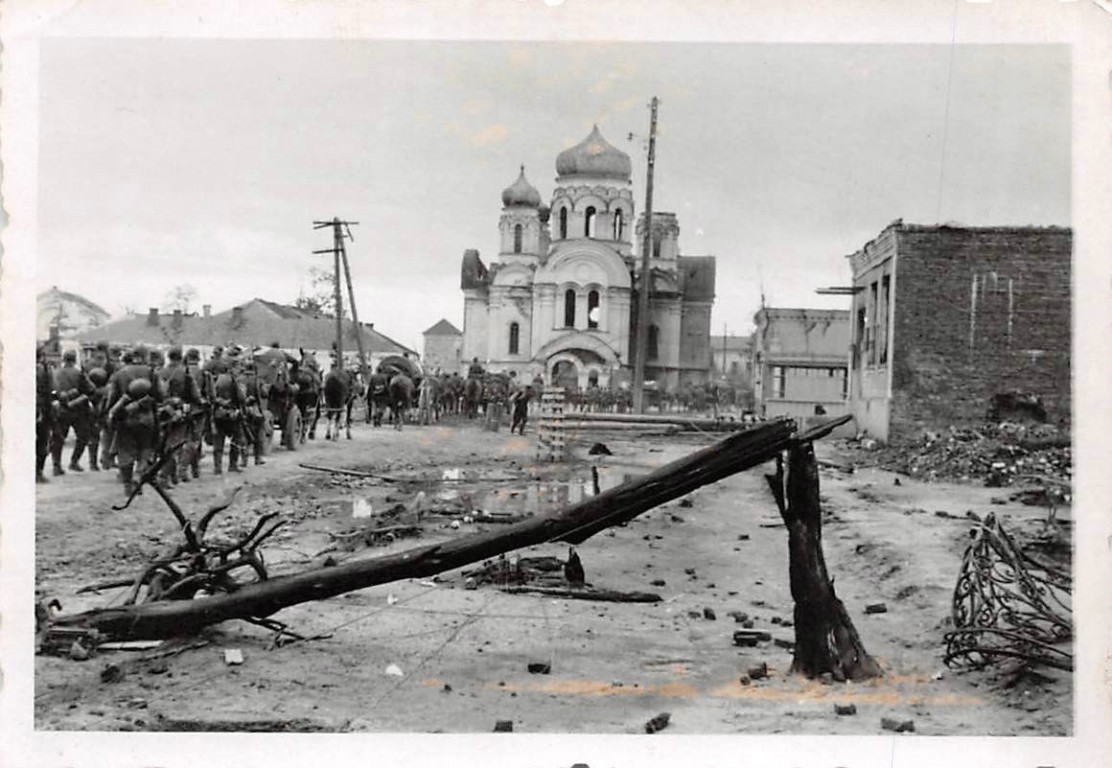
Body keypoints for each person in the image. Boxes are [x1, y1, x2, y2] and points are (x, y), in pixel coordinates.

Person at [106, 346, 163, 495]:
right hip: (147, 418)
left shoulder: (119, 374)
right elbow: (161, 395)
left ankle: (127, 485)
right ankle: (138, 476)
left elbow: (112, 398)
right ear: (144, 356)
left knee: (125, 450)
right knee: (146, 448)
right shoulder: (151, 373)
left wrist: (113, 412)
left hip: (126, 418)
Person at [157, 346, 201, 485]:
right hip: (179, 412)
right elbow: (195, 395)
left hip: (162, 412)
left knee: (164, 444)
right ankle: (165, 477)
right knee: (176, 445)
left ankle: (171, 476)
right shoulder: (185, 373)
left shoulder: (160, 371)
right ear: (181, 357)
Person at [50, 349, 97, 475]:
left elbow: (51, 391)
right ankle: (74, 461)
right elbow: (91, 389)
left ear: (63, 359)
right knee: (83, 437)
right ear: (74, 359)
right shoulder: (79, 373)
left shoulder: (55, 373)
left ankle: (56, 465)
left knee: (58, 438)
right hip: (78, 410)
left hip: (61, 409)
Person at [35, 343, 57, 484]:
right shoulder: (44, 369)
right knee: (43, 441)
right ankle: (38, 472)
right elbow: (52, 390)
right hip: (42, 409)